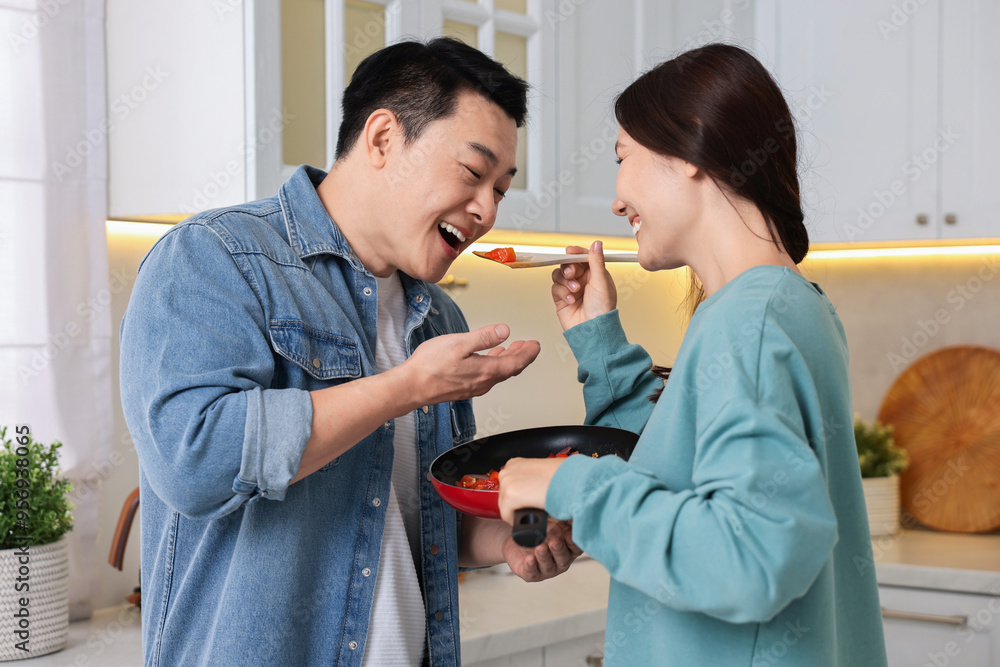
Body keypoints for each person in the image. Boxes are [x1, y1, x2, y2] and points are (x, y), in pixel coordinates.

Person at [119, 38, 583, 667]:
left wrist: (506, 542)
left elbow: (410, 516)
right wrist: (405, 388)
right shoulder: (215, 258)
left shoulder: (436, 319)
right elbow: (193, 461)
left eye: (501, 189)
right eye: (474, 174)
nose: (486, 211)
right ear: (384, 138)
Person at [497, 44, 888, 666]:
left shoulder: (750, 320)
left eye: (622, 158)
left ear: (690, 155)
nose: (618, 200)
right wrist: (598, 336)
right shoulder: (786, 306)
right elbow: (679, 469)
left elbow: (750, 555)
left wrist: (567, 482)